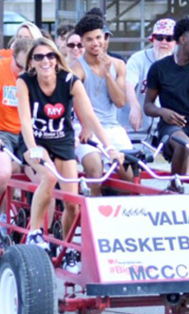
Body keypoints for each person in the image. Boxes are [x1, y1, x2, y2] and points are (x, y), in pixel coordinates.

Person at [17, 38, 124, 263]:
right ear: (32, 62)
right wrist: (33, 148)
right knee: (47, 176)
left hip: (62, 140)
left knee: (71, 202)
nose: (45, 61)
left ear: (57, 59)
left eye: (50, 56)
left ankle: (68, 249)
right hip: (35, 140)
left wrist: (110, 148)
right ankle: (35, 232)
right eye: (39, 57)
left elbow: (90, 117)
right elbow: (25, 121)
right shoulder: (25, 81)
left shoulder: (70, 81)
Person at [0, 38, 34, 243]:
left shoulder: (35, 72)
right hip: (1, 131)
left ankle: (40, 230)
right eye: (19, 66)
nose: (22, 71)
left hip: (26, 131)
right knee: (2, 173)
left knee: (46, 179)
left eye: (27, 68)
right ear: (12, 56)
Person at [144, 17, 189, 192]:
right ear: (182, 39)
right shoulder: (158, 68)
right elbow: (148, 106)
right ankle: (174, 188)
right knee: (183, 142)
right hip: (171, 127)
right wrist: (163, 112)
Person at [70, 14, 133, 195]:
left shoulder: (118, 64)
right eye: (89, 39)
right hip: (84, 127)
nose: (95, 43)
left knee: (130, 176)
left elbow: (120, 102)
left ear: (105, 37)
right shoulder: (76, 68)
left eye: (98, 37)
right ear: (82, 41)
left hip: (112, 126)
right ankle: (95, 215)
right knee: (95, 172)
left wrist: (107, 75)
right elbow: (75, 101)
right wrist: (85, 125)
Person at [120, 18, 176, 133]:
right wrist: (135, 107)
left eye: (169, 38)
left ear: (176, 42)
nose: (164, 42)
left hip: (161, 130)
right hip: (132, 129)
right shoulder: (138, 58)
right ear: (153, 39)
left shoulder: (178, 63)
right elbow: (127, 84)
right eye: (160, 38)